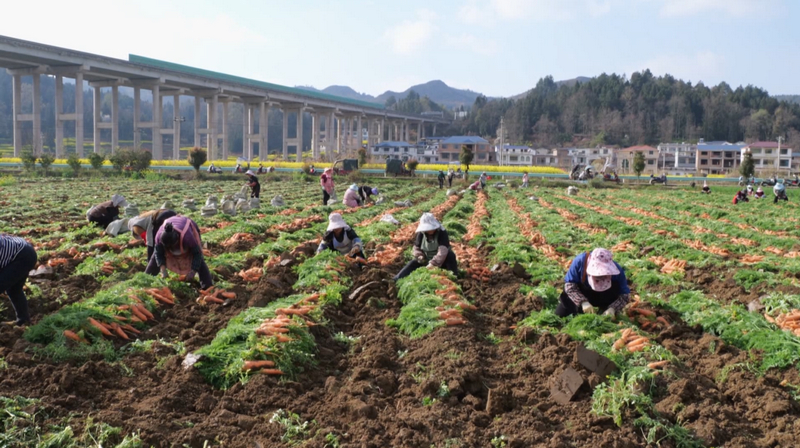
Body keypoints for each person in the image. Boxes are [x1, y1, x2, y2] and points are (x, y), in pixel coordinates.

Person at [556, 248, 630, 318]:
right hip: (584, 292)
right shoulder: (580, 262)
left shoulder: (617, 270)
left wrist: (613, 308)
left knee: (610, 318)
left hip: (606, 295)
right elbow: (569, 286)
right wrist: (582, 302)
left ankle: (605, 308)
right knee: (560, 314)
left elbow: (625, 295)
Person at [145, 216, 212, 290]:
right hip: (170, 224)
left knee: (200, 261)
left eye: (172, 246)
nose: (171, 249)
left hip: (187, 225)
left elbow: (197, 254)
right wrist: (163, 270)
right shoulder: (159, 238)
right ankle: (145, 281)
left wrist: (193, 271)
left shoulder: (188, 237)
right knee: (154, 258)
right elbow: (159, 254)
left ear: (177, 240)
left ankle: (207, 286)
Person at [394, 213, 458, 281]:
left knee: (450, 255)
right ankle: (396, 279)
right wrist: (420, 256)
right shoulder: (421, 234)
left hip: (442, 261)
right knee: (413, 263)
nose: (429, 230)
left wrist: (433, 263)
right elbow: (416, 247)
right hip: (426, 259)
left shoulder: (442, 232)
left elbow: (442, 252)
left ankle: (453, 278)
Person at [0, 233, 37, 326]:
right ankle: (23, 320)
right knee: (14, 290)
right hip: (21, 250)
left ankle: (23, 320)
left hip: (22, 255)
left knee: (10, 288)